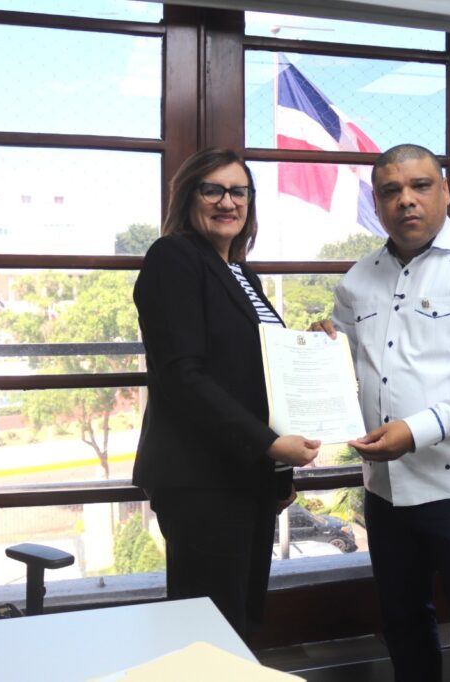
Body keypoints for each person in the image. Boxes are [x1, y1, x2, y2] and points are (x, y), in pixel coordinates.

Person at [312, 144, 450, 681]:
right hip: (387, 490)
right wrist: (320, 354)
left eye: (421, 186)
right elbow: (348, 363)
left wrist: (418, 430)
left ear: (445, 191)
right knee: (403, 627)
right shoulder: (357, 279)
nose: (406, 200)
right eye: (391, 190)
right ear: (378, 202)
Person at [133, 147, 320, 641]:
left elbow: (256, 373)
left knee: (241, 624)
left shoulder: (242, 273)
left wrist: (313, 347)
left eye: (238, 191)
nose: (226, 202)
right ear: (188, 197)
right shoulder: (173, 257)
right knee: (212, 635)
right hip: (202, 483)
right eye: (211, 189)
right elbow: (181, 375)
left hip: (245, 479)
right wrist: (267, 445)